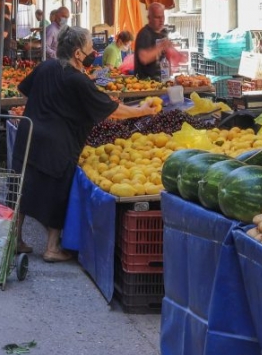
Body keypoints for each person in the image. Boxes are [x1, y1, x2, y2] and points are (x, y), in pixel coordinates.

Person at [12, 26, 156, 263]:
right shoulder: (77, 80)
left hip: (29, 134)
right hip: (58, 143)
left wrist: (48, 105)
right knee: (58, 192)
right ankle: (51, 248)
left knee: (22, 188)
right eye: (90, 46)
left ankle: (15, 239)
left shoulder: (46, 66)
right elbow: (113, 110)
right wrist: (141, 110)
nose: (93, 51)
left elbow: (24, 89)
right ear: (78, 53)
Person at [134, 3, 170, 81]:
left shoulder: (164, 32)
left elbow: (167, 56)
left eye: (163, 16)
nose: (161, 20)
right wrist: (160, 47)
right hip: (146, 84)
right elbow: (144, 58)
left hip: (162, 80)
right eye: (157, 17)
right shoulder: (144, 34)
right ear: (149, 18)